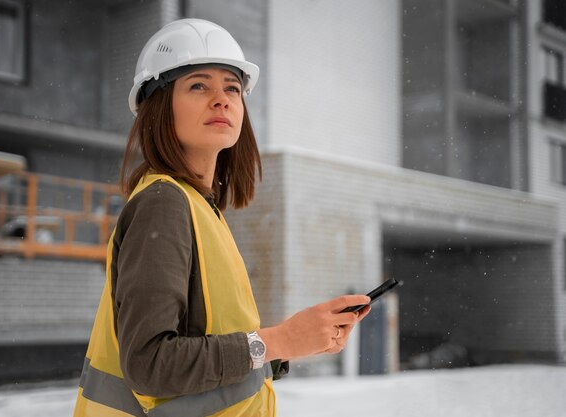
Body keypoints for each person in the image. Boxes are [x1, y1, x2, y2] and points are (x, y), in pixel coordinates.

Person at [73, 18, 371, 417]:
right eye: (199, 85)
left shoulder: (202, 208)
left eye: (232, 87)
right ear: (158, 105)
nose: (222, 99)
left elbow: (208, 353)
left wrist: (297, 341)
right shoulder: (164, 203)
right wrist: (277, 340)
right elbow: (151, 365)